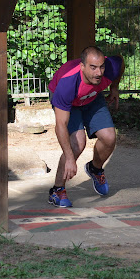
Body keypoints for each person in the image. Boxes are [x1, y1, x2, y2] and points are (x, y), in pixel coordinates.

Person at [47, 46, 125, 207]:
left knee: (109, 138)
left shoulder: (110, 67)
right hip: (70, 102)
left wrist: (114, 87)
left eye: (101, 67)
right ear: (82, 66)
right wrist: (69, 158)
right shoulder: (67, 83)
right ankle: (57, 190)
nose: (99, 72)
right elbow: (61, 125)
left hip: (91, 97)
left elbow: (121, 62)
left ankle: (95, 169)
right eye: (93, 67)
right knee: (77, 144)